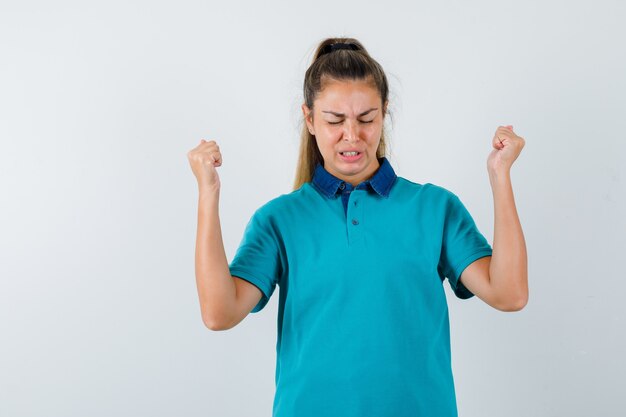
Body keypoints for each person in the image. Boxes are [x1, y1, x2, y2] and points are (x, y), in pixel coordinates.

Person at [187, 37, 528, 417]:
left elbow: (509, 294)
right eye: (335, 120)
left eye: (366, 119)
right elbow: (219, 313)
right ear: (310, 119)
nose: (352, 135)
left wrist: (500, 176)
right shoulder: (279, 220)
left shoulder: (434, 208)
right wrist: (208, 193)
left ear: (384, 113)